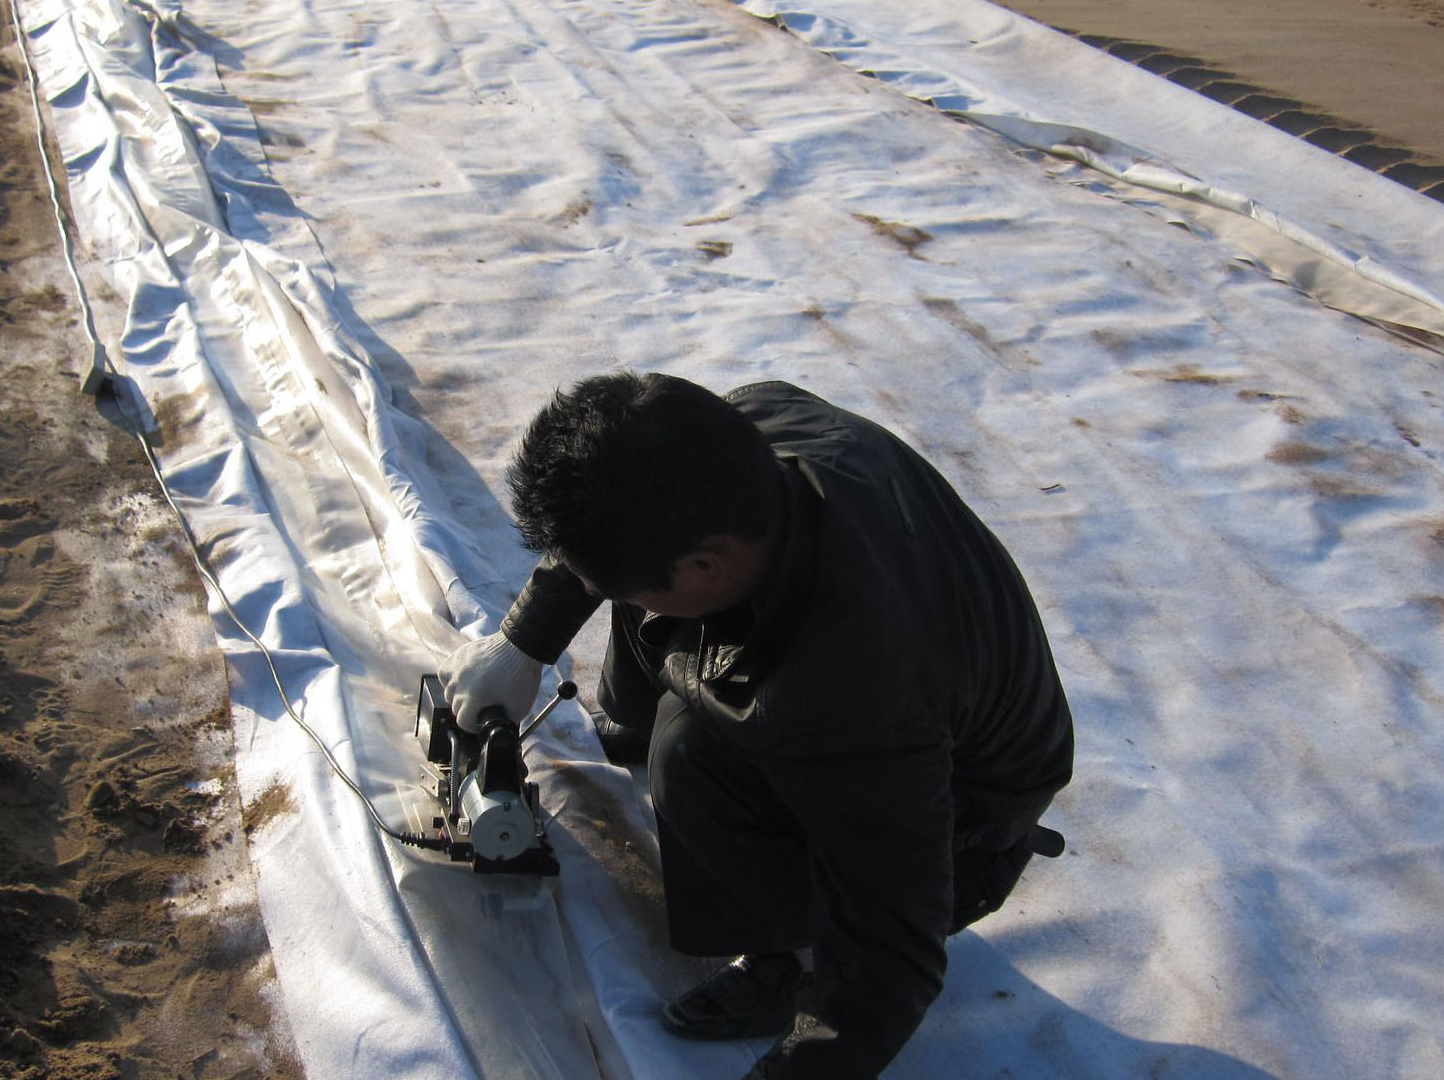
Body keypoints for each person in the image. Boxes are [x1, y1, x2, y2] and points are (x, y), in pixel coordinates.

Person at [440, 373, 1073, 1079]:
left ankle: (787, 954)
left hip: (967, 821)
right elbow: (609, 510)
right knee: (641, 591)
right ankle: (643, 714)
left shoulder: (858, 686)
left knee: (688, 757)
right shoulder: (746, 428)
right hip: (901, 682)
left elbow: (893, 952)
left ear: (708, 563)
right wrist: (524, 643)